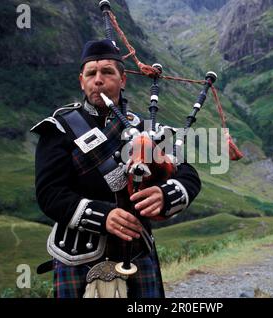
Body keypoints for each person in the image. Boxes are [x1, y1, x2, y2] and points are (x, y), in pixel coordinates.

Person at [30, 39, 201, 298]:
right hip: (77, 253)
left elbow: (188, 175)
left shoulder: (147, 130)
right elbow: (50, 194)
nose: (98, 80)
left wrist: (165, 195)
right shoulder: (59, 128)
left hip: (136, 249)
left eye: (107, 72)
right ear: (81, 81)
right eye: (91, 73)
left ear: (123, 80)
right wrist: (104, 216)